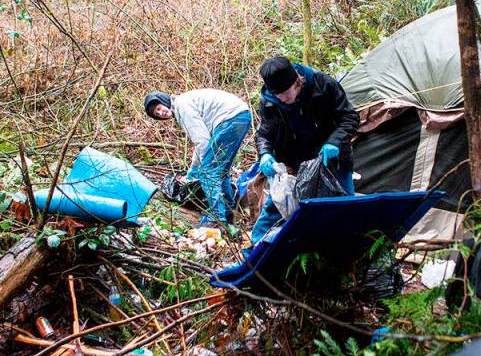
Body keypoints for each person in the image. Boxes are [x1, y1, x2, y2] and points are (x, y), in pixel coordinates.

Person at [251, 55, 360, 244]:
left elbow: (349, 117)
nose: (283, 99)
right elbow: (264, 134)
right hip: (293, 162)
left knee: (342, 210)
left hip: (330, 159)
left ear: (297, 81)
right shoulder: (269, 101)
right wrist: (265, 154)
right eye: (278, 95)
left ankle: (349, 257)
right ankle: (254, 253)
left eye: (286, 93)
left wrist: (335, 142)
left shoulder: (323, 85)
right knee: (274, 209)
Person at [144, 89, 251, 225]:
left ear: (165, 101)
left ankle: (217, 218)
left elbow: (203, 142)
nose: (161, 113)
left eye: (159, 108)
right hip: (241, 116)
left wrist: (204, 167)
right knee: (220, 170)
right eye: (157, 114)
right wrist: (194, 168)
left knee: (209, 172)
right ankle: (229, 210)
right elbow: (203, 140)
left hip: (230, 119)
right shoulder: (183, 103)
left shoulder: (182, 108)